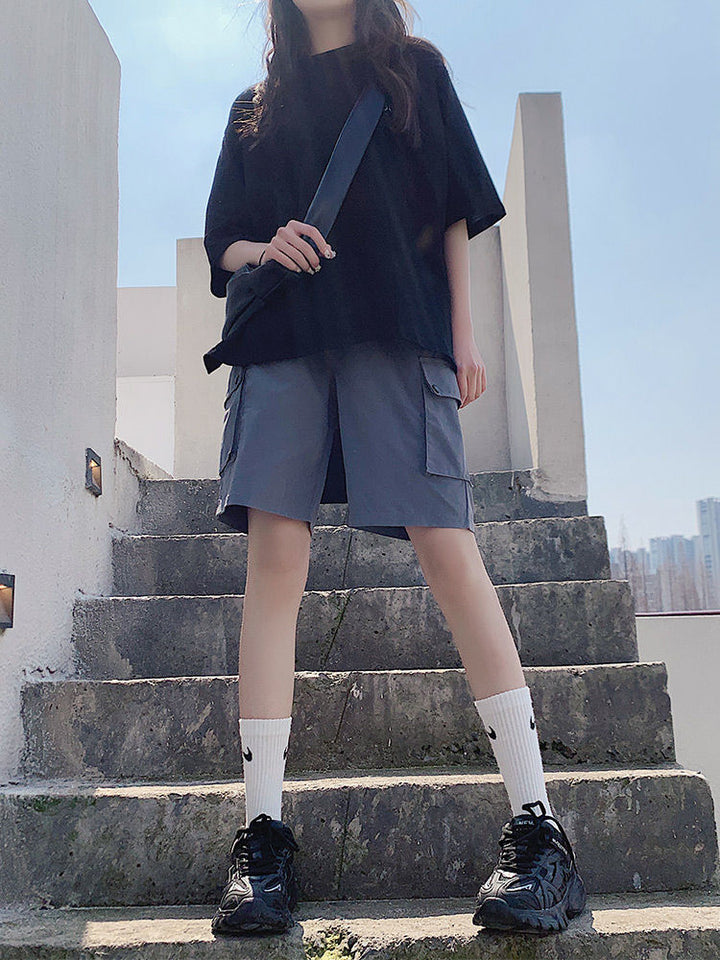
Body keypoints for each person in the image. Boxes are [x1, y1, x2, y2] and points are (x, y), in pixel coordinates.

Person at [203, 0, 587, 938]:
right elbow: (227, 242)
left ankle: (539, 830)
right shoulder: (257, 106)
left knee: (448, 548)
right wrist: (268, 247)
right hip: (285, 335)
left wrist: (461, 339)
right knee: (275, 562)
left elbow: (452, 211)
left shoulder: (413, 70)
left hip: (398, 329)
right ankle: (261, 838)